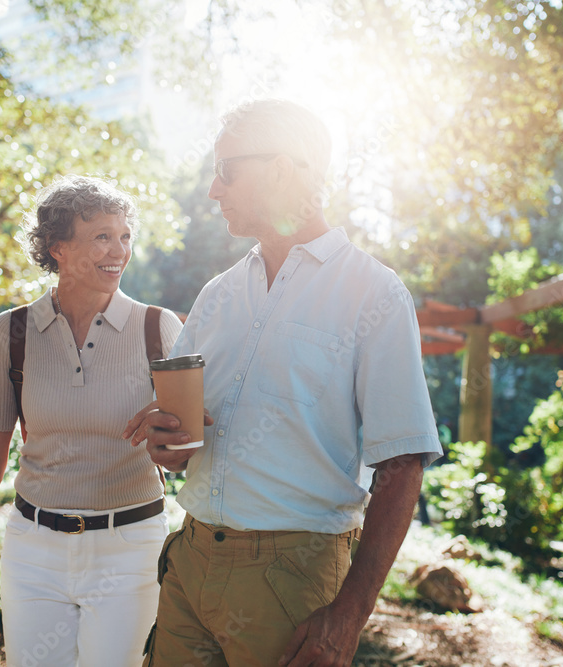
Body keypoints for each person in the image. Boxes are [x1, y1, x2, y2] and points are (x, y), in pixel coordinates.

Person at [124, 99, 442, 667]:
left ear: (279, 169)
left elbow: (402, 465)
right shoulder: (216, 294)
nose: (214, 191)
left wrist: (349, 617)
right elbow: (181, 446)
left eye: (226, 171)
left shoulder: (375, 293)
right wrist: (165, 441)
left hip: (290, 581)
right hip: (189, 561)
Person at [0, 175, 182, 666]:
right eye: (102, 236)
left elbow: (191, 446)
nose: (119, 250)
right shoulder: (13, 332)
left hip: (129, 549)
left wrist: (174, 432)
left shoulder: (157, 329)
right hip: (33, 550)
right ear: (57, 247)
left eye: (125, 235)